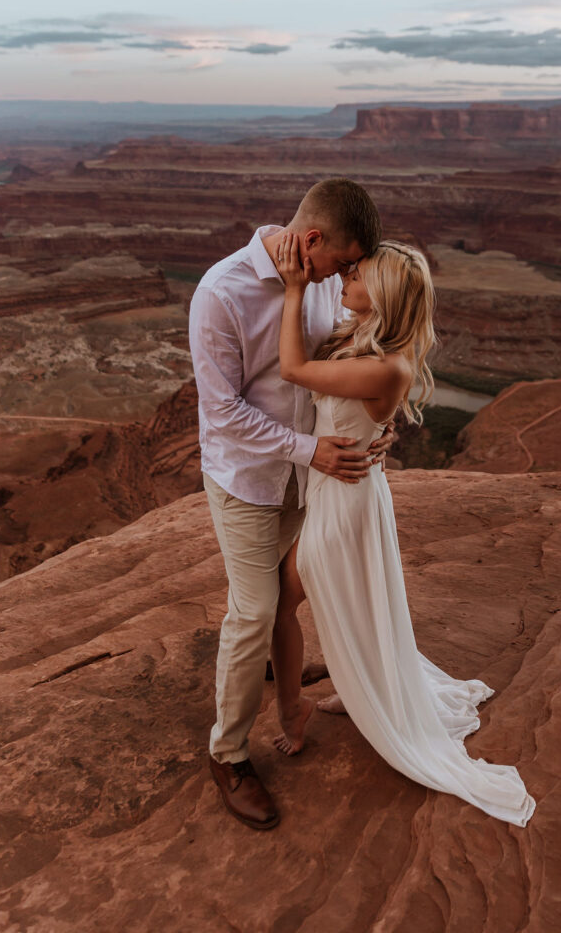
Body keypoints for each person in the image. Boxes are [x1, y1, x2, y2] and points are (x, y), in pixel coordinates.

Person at [269, 232, 537, 828]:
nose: (345, 278)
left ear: (383, 294)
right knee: (362, 604)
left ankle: (296, 713)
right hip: (348, 491)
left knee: (283, 602)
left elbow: (292, 368)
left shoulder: (383, 364)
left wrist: (293, 289)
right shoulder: (365, 341)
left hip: (342, 504)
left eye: (356, 276)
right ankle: (364, 692)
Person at [189, 178, 395, 831]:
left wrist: (373, 417)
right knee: (252, 612)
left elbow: (341, 360)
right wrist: (312, 450)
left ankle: (290, 698)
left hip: (308, 483)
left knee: (298, 595)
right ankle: (226, 754)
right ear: (311, 242)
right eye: (342, 261)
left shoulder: (324, 282)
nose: (349, 275)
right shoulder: (220, 294)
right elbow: (221, 413)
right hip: (250, 484)